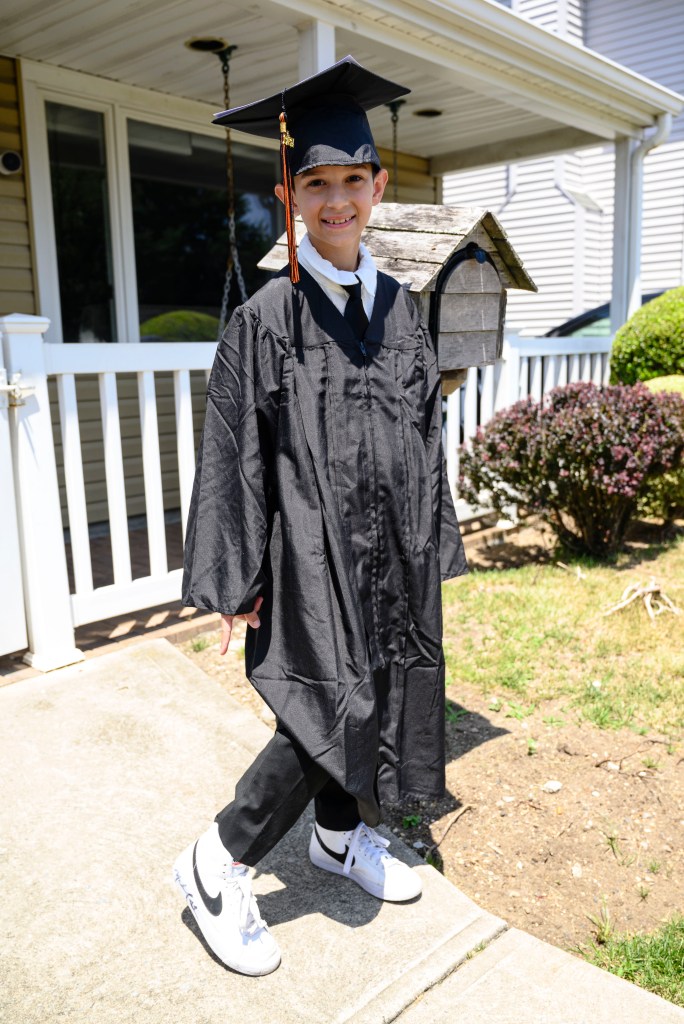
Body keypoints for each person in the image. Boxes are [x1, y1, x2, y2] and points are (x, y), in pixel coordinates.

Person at [173, 55, 468, 977]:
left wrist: (431, 538)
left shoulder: (403, 311)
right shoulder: (269, 317)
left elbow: (423, 431)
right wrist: (238, 579)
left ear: (379, 186)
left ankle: (339, 839)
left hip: (392, 549)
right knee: (328, 704)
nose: (337, 200)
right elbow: (234, 450)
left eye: (352, 180)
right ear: (290, 194)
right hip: (308, 550)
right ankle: (218, 859)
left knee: (381, 685)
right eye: (317, 183)